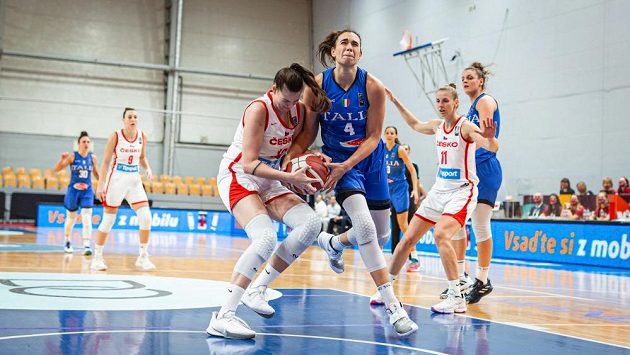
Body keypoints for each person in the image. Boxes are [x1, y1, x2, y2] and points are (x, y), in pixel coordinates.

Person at [285, 29, 418, 336]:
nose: (349, 47)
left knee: (381, 235)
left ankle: (334, 242)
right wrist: (290, 162)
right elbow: (307, 134)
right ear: (333, 51)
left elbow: (374, 137)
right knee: (367, 228)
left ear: (360, 53)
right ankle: (394, 307)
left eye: (355, 44)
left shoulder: (373, 87)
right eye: (343, 42)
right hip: (339, 165)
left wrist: (349, 162)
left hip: (369, 162)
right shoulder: (317, 86)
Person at [206, 63, 331, 340]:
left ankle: (258, 288)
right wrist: (290, 176)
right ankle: (223, 316)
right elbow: (249, 164)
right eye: (285, 100)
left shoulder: (297, 110)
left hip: (269, 177)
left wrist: (314, 157)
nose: (290, 106)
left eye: (296, 100)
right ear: (273, 89)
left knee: (311, 223)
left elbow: (294, 150)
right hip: (239, 175)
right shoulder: (258, 109)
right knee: (264, 238)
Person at [383, 84, 498, 313]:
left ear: (456, 103)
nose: (441, 105)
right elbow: (415, 124)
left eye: (445, 101)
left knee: (441, 234)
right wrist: (395, 102)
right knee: (407, 239)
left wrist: (490, 138)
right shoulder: (437, 126)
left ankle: (456, 296)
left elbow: (491, 146)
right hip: (439, 191)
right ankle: (385, 289)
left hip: (462, 191)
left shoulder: (465, 127)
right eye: (438, 101)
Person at [449, 62, 502, 304]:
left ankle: (482, 280)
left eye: (470, 77)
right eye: (463, 78)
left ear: (480, 81)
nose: (465, 81)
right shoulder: (471, 107)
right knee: (457, 223)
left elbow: (486, 135)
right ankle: (460, 277)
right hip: (469, 171)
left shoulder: (484, 101)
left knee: (480, 224)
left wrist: (483, 137)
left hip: (485, 168)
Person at [92, 108, 155, 272]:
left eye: (135, 116)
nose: (133, 119)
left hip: (134, 180)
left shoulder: (142, 136)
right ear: (124, 120)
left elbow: (142, 157)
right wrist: (100, 184)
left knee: (146, 217)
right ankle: (97, 258)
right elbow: (105, 162)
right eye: (130, 117)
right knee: (108, 220)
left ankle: (143, 257)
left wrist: (147, 168)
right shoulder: (116, 136)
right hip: (116, 179)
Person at [53, 131, 99, 255]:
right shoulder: (73, 156)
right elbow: (57, 169)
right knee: (71, 218)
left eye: (88, 142)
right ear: (78, 144)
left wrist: (103, 184)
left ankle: (87, 245)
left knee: (87, 217)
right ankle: (67, 241)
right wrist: (61, 159)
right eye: (84, 141)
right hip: (73, 190)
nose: (86, 144)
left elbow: (96, 174)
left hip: (87, 190)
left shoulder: (92, 158)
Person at [384, 127, 420, 271]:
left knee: (404, 225)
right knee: (381, 223)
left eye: (392, 133)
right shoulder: (381, 149)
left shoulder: (399, 150)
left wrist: (416, 190)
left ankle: (415, 257)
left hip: (400, 188)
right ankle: (380, 258)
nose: (389, 135)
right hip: (386, 189)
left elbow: (411, 170)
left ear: (396, 135)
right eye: (387, 133)